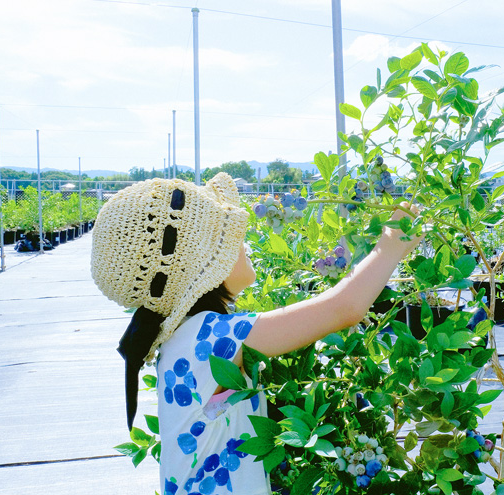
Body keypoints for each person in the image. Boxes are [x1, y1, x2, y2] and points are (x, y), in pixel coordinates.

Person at [90, 173, 420, 495]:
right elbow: (343, 308)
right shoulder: (212, 338)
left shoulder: (186, 338)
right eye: (229, 237)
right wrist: (390, 246)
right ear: (204, 265)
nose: (244, 242)